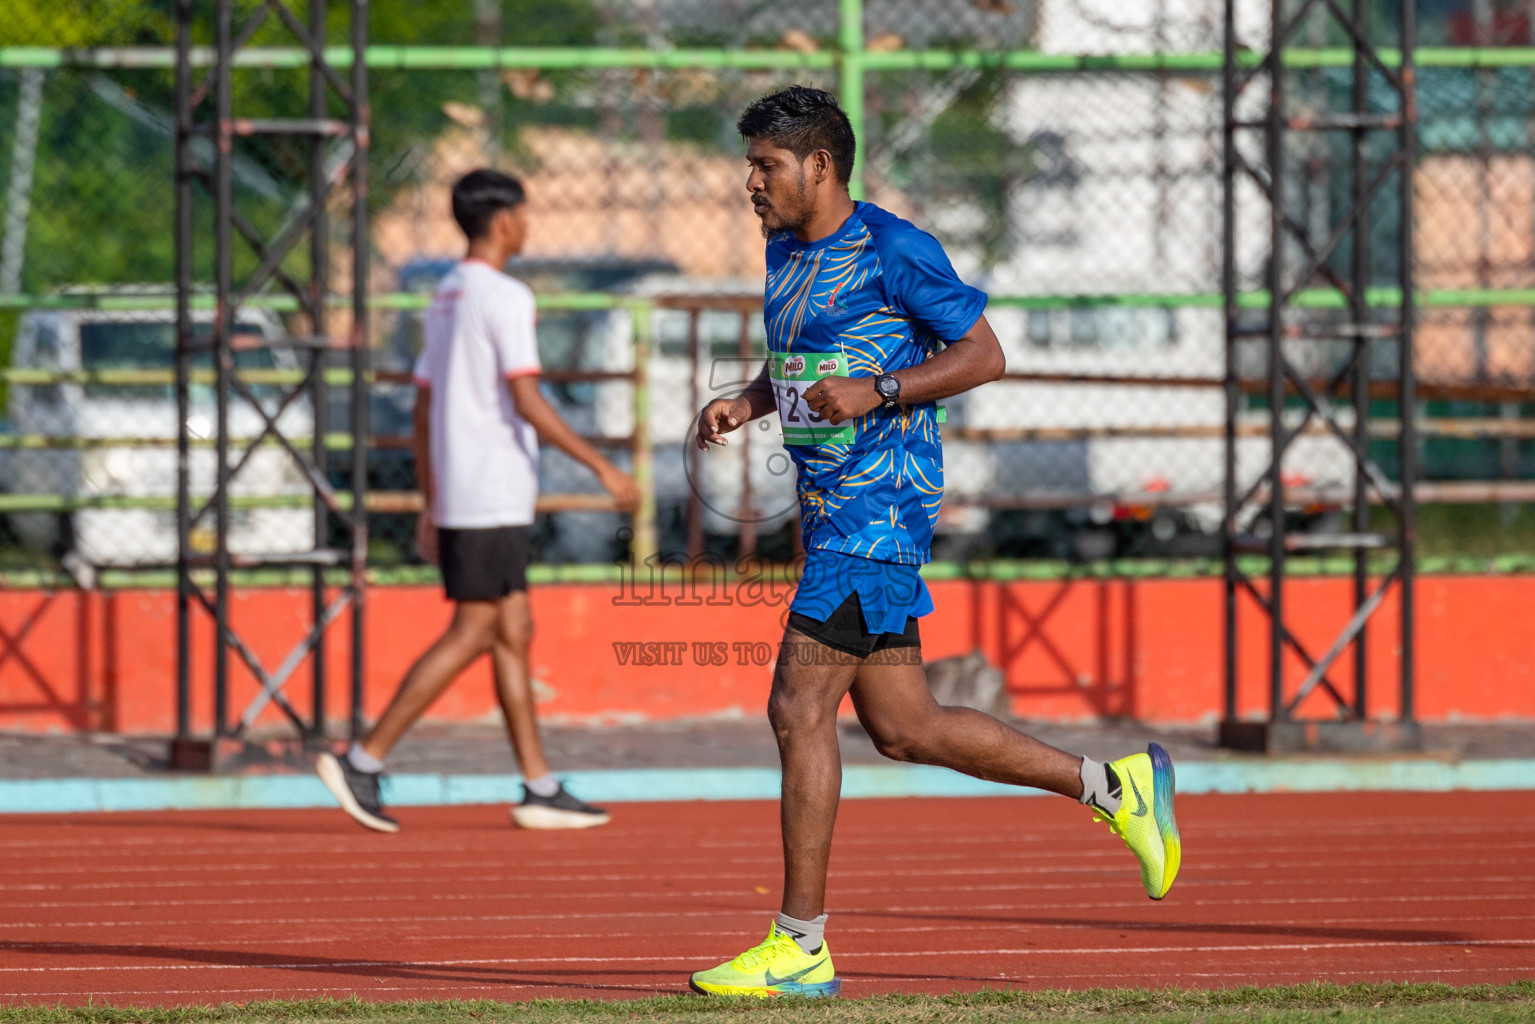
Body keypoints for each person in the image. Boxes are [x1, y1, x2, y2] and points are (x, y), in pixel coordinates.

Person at [686, 87, 1181, 998]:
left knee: (797, 709)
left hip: (876, 515)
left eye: (765, 165)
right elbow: (799, 359)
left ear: (819, 165)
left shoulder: (894, 248)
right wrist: (748, 400)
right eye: (749, 164)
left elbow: (983, 354)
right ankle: (1115, 789)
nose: (749, 181)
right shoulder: (782, 250)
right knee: (905, 729)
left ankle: (799, 944)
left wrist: (881, 390)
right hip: (829, 513)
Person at [318, 169, 639, 834]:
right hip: (491, 489)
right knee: (473, 631)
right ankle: (363, 758)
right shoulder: (504, 295)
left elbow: (426, 403)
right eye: (523, 215)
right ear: (501, 221)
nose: (527, 225)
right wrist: (602, 467)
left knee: (513, 631)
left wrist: (432, 501)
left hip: (470, 490)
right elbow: (526, 397)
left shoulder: (445, 293)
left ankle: (538, 785)